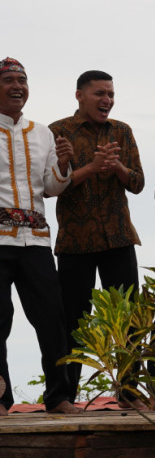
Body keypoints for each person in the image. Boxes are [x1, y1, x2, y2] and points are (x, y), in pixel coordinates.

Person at [49, 71, 145, 400]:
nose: (107, 100)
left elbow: (138, 183)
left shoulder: (122, 131)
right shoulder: (58, 131)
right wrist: (90, 167)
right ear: (79, 95)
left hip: (119, 238)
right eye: (100, 93)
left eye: (111, 94)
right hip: (76, 242)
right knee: (74, 320)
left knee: (129, 317)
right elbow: (50, 187)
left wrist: (117, 168)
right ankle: (65, 396)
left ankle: (129, 392)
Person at [0, 57, 80, 416]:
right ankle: (1, 399)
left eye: (23, 80)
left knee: (52, 317)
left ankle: (58, 396)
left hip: (35, 240)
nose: (18, 86)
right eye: (9, 80)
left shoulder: (43, 132)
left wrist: (63, 165)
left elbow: (51, 188)